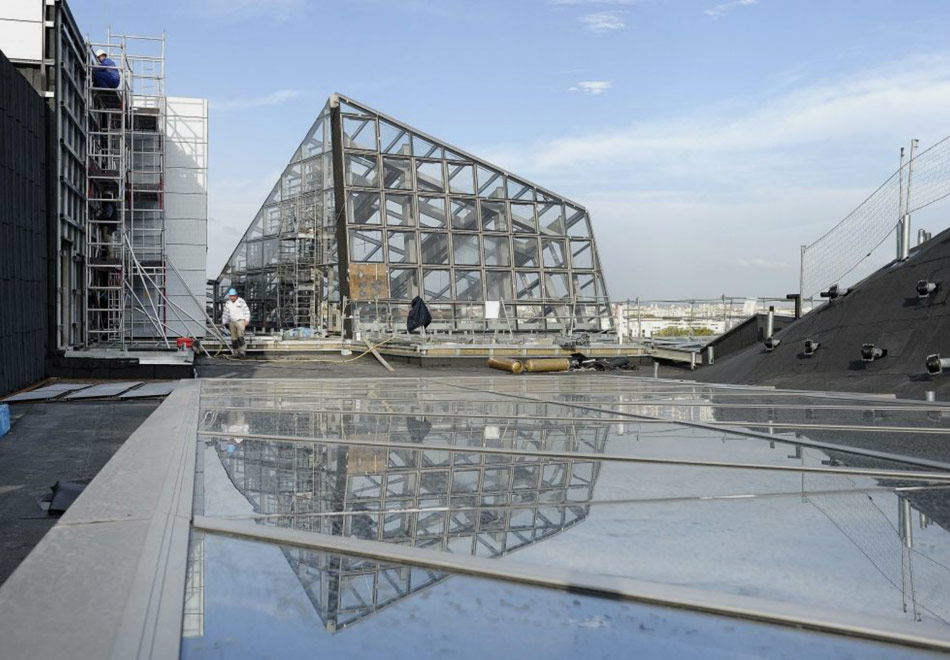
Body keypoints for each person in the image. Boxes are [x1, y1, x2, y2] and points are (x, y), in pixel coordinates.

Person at [222, 288, 251, 357]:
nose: (232, 297)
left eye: (233, 296)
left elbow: (246, 311)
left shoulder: (241, 301)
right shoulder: (228, 303)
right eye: (231, 296)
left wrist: (247, 320)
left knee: (240, 337)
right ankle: (235, 352)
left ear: (236, 296)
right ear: (229, 296)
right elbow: (225, 313)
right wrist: (224, 322)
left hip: (240, 321)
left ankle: (242, 351)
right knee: (233, 339)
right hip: (232, 322)